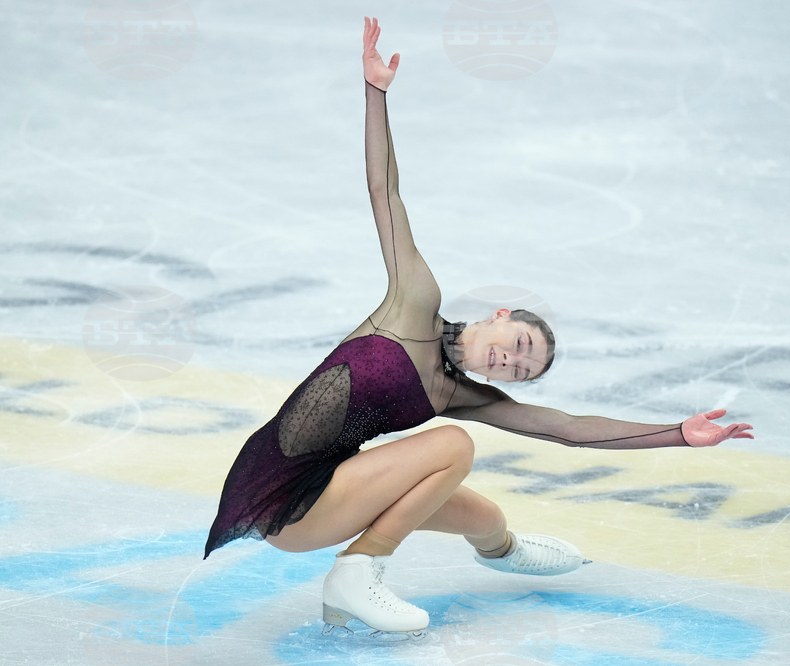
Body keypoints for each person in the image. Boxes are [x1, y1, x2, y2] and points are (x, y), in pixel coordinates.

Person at [203, 16, 755, 641]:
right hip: (287, 496)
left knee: (480, 512)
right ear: (500, 316)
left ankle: (505, 551)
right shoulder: (413, 301)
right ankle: (357, 572)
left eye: (521, 370)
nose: (509, 364)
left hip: (333, 484)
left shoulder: (460, 393)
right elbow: (385, 192)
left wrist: (677, 434)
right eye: (518, 346)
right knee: (454, 449)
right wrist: (375, 93)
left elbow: (569, 430)